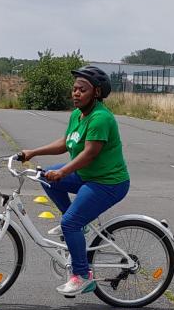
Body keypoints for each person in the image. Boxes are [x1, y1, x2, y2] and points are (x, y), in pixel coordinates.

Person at [20, 65, 130, 296]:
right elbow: (66, 142)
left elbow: (89, 153)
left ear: (97, 93)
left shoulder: (101, 118)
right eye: (74, 89)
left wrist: (64, 172)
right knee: (47, 178)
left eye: (82, 89)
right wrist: (33, 152)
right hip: (87, 175)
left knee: (70, 222)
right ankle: (78, 224)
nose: (76, 93)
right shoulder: (77, 115)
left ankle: (82, 276)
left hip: (107, 183)